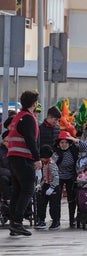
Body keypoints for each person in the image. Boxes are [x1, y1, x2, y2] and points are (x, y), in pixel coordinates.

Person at [7, 90, 42, 236]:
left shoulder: (18, 117)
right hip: (23, 158)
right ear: (34, 103)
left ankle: (14, 223)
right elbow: (30, 140)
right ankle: (17, 222)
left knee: (18, 191)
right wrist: (37, 158)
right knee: (28, 189)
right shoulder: (28, 118)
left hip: (14, 157)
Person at [53, 130, 87, 228]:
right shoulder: (55, 152)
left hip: (71, 176)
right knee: (56, 199)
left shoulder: (74, 149)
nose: (64, 145)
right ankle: (56, 220)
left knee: (72, 199)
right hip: (58, 177)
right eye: (62, 142)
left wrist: (74, 139)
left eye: (66, 142)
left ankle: (72, 219)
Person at [35, 145, 61, 230]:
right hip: (46, 185)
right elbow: (45, 177)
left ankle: (55, 221)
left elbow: (56, 178)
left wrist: (52, 188)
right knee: (41, 203)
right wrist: (40, 184)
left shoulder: (52, 164)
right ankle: (41, 220)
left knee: (54, 206)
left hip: (54, 186)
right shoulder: (44, 164)